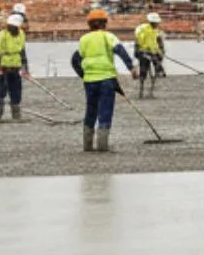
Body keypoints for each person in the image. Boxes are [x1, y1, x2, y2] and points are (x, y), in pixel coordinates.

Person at [71, 9, 134, 153]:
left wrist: (84, 74)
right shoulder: (108, 36)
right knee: (105, 109)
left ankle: (87, 145)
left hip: (89, 81)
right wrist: (131, 67)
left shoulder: (84, 39)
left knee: (91, 109)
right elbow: (120, 51)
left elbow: (75, 60)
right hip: (106, 79)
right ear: (104, 23)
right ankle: (102, 145)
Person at [0, 13, 29, 123]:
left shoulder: (21, 34)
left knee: (16, 90)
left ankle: (16, 114)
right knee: (0, 90)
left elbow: (22, 50)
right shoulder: (1, 35)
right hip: (3, 66)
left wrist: (25, 66)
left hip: (15, 66)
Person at [133, 12, 166, 98]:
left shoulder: (157, 32)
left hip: (153, 53)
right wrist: (143, 51)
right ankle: (141, 92)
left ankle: (151, 90)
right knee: (143, 70)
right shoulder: (142, 29)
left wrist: (160, 53)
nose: (157, 24)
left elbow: (159, 44)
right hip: (143, 53)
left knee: (157, 65)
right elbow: (138, 42)